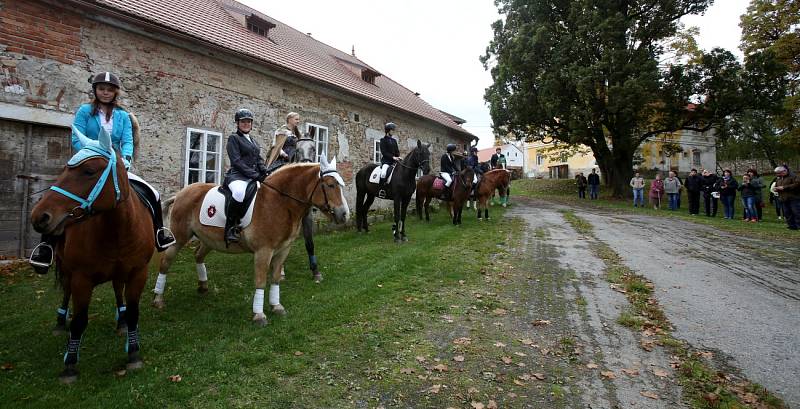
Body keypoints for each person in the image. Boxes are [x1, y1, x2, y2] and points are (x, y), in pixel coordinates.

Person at [29, 72, 175, 273]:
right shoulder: (84, 111)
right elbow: (76, 137)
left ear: (115, 92)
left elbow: (127, 141)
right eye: (101, 89)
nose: (105, 93)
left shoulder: (123, 116)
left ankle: (159, 232)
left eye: (109, 90)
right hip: (88, 162)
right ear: (95, 90)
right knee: (58, 193)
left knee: (153, 192)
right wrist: (91, 156)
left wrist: (126, 160)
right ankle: (46, 247)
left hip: (115, 165)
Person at [222, 108, 268, 244]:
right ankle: (230, 228)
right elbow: (237, 162)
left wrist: (265, 171)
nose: (246, 124)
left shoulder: (253, 141)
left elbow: (258, 159)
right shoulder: (234, 138)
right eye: (243, 121)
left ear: (251, 124)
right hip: (237, 176)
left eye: (248, 121)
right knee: (239, 193)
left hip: (252, 177)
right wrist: (255, 175)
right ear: (237, 123)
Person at [377, 122, 400, 197]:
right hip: (386, 162)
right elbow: (384, 152)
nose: (393, 131)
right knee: (383, 173)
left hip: (394, 162)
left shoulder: (394, 141)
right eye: (392, 130)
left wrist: (398, 156)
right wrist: (392, 157)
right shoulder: (383, 140)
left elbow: (397, 151)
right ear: (388, 130)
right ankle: (381, 190)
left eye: (393, 130)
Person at [773, 165, 800, 230]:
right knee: (787, 213)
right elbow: (777, 185)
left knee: (796, 212)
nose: (778, 174)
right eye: (777, 173)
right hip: (783, 198)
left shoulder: (793, 176)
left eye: (779, 173)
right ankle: (791, 226)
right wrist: (776, 189)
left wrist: (784, 187)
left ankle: (798, 225)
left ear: (784, 171)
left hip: (793, 197)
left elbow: (797, 184)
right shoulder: (779, 178)